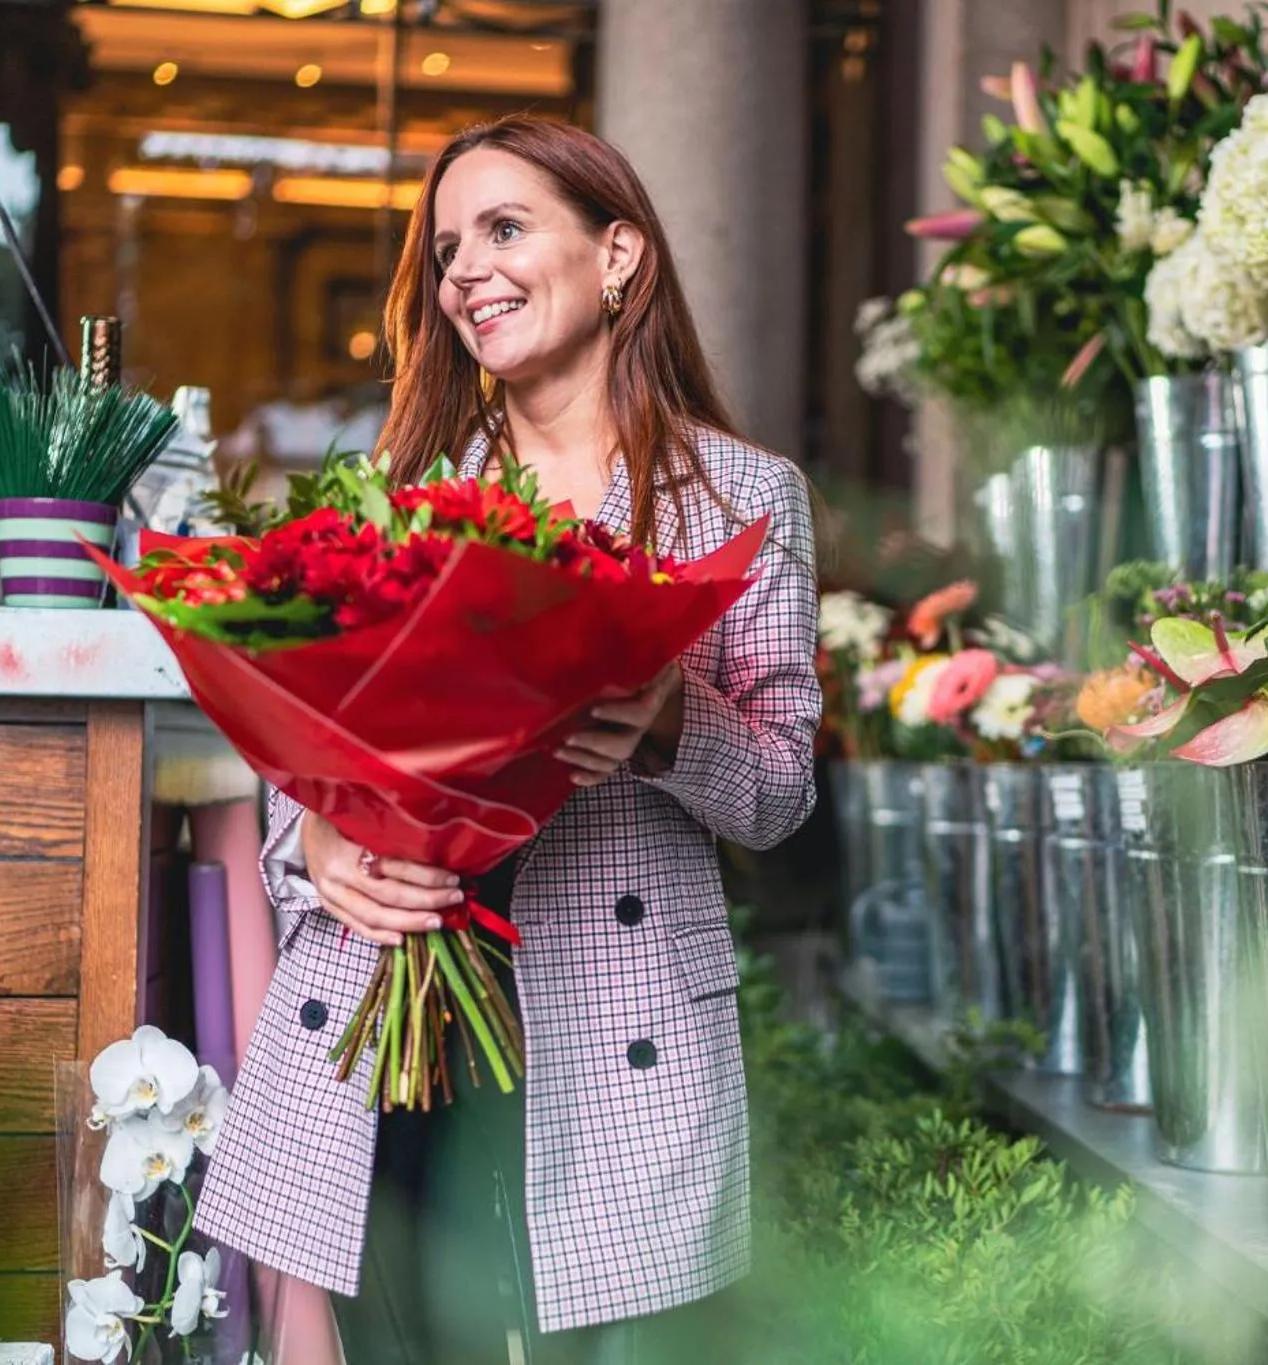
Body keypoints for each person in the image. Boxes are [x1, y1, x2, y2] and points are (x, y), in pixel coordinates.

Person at [195, 113, 822, 1365]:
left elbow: (781, 795)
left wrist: (670, 725)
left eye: (504, 229)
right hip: (397, 1011)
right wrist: (315, 837)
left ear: (618, 255)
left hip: (615, 1024)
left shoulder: (744, 499)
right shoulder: (401, 492)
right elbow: (302, 743)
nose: (465, 271)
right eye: (445, 250)